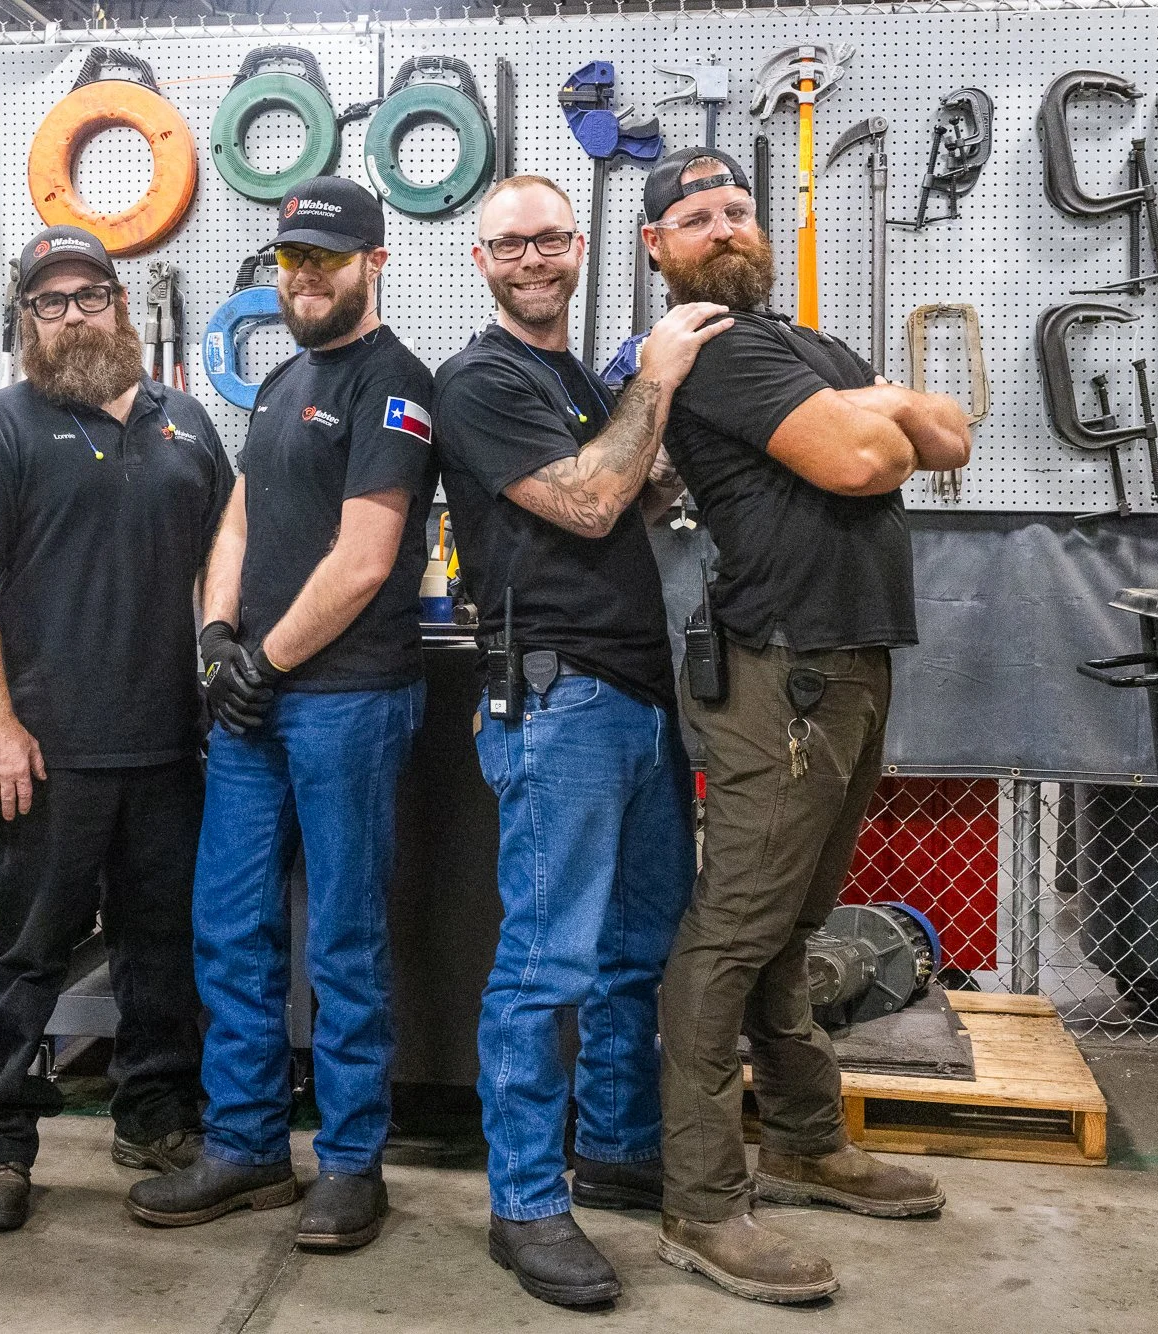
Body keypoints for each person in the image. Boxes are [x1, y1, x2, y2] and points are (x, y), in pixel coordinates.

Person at [641, 147, 972, 1304]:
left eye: (736, 208)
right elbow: (863, 453)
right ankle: (697, 1201)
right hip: (774, 675)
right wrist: (874, 414)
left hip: (850, 666)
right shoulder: (714, 349)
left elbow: (947, 435)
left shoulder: (806, 347)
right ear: (657, 247)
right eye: (694, 216)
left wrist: (874, 407)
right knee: (731, 931)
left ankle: (800, 1136)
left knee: (793, 919)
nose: (722, 226)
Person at [432, 174, 727, 1309]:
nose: (536, 258)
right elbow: (591, 504)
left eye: (552, 238)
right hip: (558, 702)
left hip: (638, 693)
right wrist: (653, 377)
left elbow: (633, 489)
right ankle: (524, 1203)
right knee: (544, 962)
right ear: (481, 261)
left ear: (576, 245)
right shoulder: (480, 377)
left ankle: (615, 1143)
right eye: (511, 243)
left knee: (635, 944)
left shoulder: (565, 378)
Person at [126, 177, 434, 1252]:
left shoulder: (394, 384)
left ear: (375, 262)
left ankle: (351, 1163)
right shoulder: (278, 381)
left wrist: (261, 658)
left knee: (343, 938)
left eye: (328, 258)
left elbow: (364, 558)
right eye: (293, 260)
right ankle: (248, 1145)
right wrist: (214, 635)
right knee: (229, 926)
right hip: (253, 701)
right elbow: (240, 523)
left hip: (347, 700)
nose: (306, 276)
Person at [0, 225, 233, 1233]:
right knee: (19, 955)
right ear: (25, 320)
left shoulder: (187, 423)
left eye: (89, 295)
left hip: (167, 747)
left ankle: (154, 1116)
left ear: (121, 305)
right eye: (49, 301)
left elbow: (221, 564)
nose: (72, 315)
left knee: (165, 952)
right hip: (43, 750)